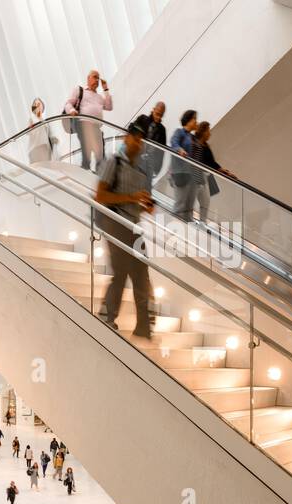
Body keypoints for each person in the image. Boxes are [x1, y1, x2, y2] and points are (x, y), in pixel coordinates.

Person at [95, 123, 156, 342]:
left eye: (142, 141)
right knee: (120, 272)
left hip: (134, 225)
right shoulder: (114, 162)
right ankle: (107, 319)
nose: (139, 144)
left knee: (141, 274)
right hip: (115, 222)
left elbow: (141, 201)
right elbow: (100, 196)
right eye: (136, 139)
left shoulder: (140, 171)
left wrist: (146, 206)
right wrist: (130, 198)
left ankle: (143, 328)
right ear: (127, 138)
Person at [63, 69, 112, 171]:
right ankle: (85, 170)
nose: (97, 80)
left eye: (98, 78)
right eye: (95, 77)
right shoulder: (80, 91)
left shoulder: (99, 97)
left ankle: (99, 174)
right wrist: (72, 110)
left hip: (96, 127)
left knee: (101, 156)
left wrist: (105, 89)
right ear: (88, 78)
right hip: (84, 125)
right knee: (87, 153)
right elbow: (68, 104)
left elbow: (109, 106)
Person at [187, 121, 234, 222]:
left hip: (202, 178)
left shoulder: (206, 147)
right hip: (192, 178)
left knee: (205, 202)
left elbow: (212, 163)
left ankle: (202, 223)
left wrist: (224, 171)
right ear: (203, 132)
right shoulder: (192, 142)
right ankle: (187, 219)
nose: (209, 133)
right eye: (208, 131)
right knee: (191, 200)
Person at [169, 109, 200, 218]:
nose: (196, 121)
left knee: (189, 206)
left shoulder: (193, 137)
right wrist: (180, 150)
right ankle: (173, 230)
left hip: (192, 175)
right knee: (180, 205)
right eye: (194, 119)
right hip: (181, 173)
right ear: (188, 120)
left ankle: (186, 230)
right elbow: (173, 142)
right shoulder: (179, 132)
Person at [131, 101, 167, 177]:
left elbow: (161, 151)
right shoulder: (142, 119)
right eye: (157, 114)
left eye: (161, 115)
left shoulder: (162, 130)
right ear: (153, 110)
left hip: (149, 163)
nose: (158, 117)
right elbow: (131, 128)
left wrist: (157, 169)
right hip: (135, 156)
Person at [27, 97, 54, 163]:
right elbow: (29, 131)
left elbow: (49, 134)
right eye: (35, 104)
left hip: (45, 147)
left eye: (39, 104)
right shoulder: (32, 119)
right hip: (36, 148)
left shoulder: (45, 120)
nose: (37, 106)